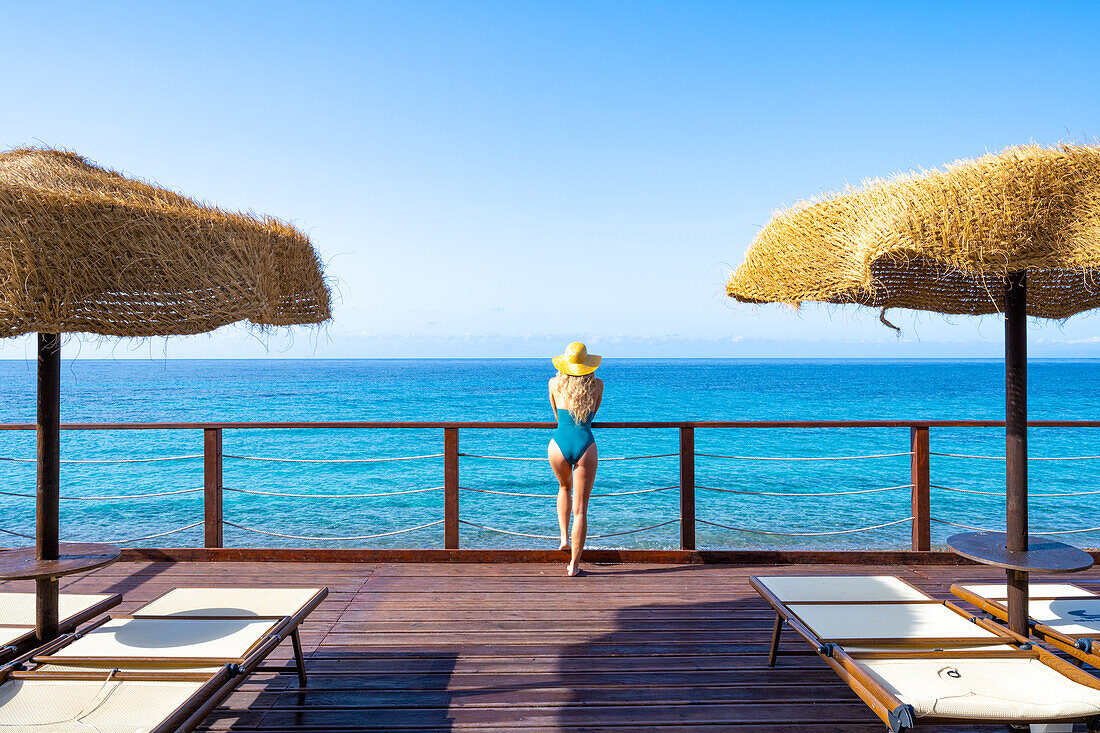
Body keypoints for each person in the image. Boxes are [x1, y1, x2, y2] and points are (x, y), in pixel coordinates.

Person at [547, 342, 604, 576]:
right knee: (581, 509)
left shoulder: (554, 383)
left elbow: (555, 414)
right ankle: (574, 566)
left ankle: (563, 537)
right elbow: (594, 413)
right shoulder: (598, 385)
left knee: (563, 487)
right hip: (584, 443)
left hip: (558, 443)